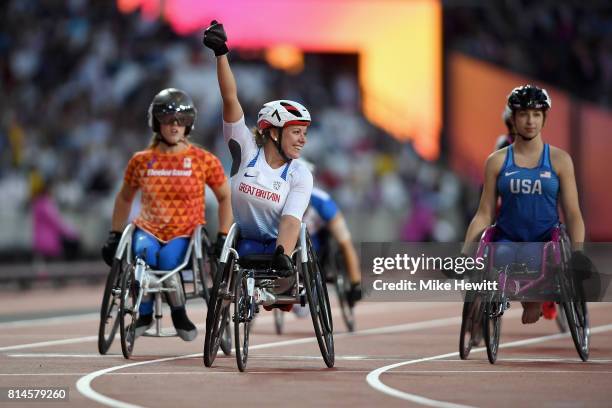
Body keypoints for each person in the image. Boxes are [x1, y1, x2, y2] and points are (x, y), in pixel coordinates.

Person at [101, 88, 232, 341]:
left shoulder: (203, 160)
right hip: (148, 229)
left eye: (180, 121)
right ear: (155, 122)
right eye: (168, 120)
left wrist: (223, 234)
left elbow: (225, 197)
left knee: (169, 261)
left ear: (188, 125)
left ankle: (179, 313)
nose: (174, 126)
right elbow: (125, 197)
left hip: (184, 233)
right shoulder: (141, 161)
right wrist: (115, 234)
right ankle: (146, 314)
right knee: (142, 254)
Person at [202, 20, 313, 310]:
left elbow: (291, 220)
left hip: (280, 245)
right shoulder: (246, 150)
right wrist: (221, 54)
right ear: (273, 132)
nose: (302, 140)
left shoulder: (300, 173)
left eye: (305, 133)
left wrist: (283, 256)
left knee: (283, 302)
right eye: (296, 132)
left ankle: (278, 289)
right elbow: (230, 99)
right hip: (247, 242)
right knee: (237, 262)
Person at [461, 84, 586, 324]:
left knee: (535, 258)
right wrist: (465, 253)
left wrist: (578, 253)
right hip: (507, 238)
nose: (530, 121)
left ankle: (536, 299)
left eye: (536, 114)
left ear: (544, 119)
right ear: (514, 118)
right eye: (524, 114)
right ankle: (522, 298)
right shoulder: (496, 161)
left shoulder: (560, 160)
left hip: (544, 240)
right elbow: (484, 213)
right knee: (499, 257)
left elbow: (573, 213)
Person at [303, 184, 362, 307]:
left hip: (321, 232)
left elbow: (346, 244)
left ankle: (326, 269)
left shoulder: (323, 203)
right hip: (297, 232)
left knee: (339, 242)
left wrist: (355, 283)